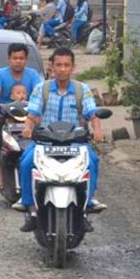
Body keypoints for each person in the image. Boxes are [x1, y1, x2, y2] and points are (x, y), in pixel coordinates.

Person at [18, 47, 107, 232]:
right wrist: (27, 127)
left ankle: (87, 205)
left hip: (76, 142)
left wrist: (98, 131)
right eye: (59, 64)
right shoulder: (40, 89)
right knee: (26, 162)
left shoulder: (83, 90)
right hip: (45, 141)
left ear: (73, 67)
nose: (63, 69)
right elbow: (33, 113)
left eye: (67, 65)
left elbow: (93, 114)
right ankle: (30, 208)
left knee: (93, 162)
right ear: (52, 66)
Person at [0, 43, 43, 193]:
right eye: (15, 58)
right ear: (9, 59)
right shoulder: (0, 74)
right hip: (6, 117)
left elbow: (40, 93)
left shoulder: (33, 75)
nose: (18, 61)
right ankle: (0, 176)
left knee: (44, 135)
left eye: (21, 58)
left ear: (26, 59)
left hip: (29, 116)